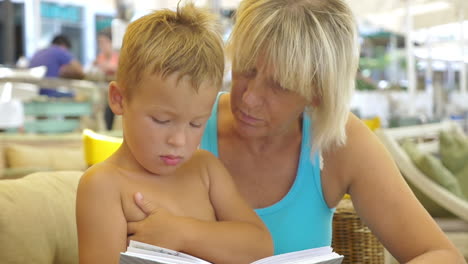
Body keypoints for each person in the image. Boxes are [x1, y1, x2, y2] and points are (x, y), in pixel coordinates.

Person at [128, 0, 466, 263]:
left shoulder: (338, 142)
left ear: (317, 92)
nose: (249, 98)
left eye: (279, 86)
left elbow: (443, 255)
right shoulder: (184, 123)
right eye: (246, 68)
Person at [75, 3, 273, 264]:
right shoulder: (104, 185)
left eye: (196, 124)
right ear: (119, 99)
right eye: (162, 120)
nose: (179, 141)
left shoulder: (206, 170)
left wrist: (182, 233)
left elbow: (260, 245)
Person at [93, 28, 120, 130]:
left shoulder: (118, 55)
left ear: (111, 42)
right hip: (102, 89)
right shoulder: (101, 57)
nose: (101, 45)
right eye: (99, 42)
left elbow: (117, 68)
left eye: (103, 42)